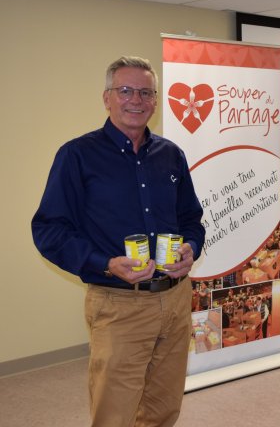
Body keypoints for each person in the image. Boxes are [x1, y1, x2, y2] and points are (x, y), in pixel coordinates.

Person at [31, 56, 206, 427]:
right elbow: (49, 229)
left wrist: (192, 245)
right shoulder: (77, 156)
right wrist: (104, 263)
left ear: (155, 101)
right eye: (124, 90)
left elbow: (191, 218)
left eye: (145, 92)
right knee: (115, 414)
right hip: (118, 305)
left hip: (175, 300)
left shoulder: (171, 155)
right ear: (106, 97)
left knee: (163, 408)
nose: (135, 100)